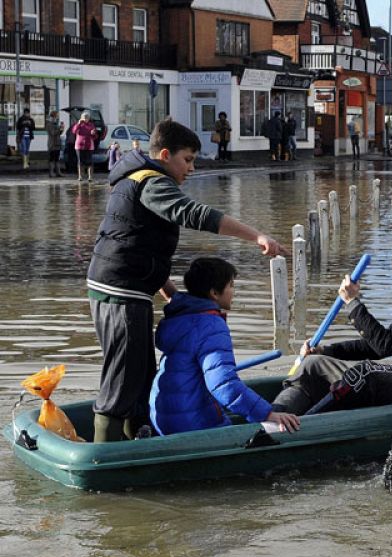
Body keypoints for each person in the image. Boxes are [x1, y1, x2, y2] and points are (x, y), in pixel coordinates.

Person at [86, 117, 289, 442]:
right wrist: (256, 236)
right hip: (119, 291)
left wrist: (168, 290)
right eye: (188, 159)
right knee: (124, 377)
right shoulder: (152, 181)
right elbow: (193, 213)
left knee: (140, 373)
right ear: (165, 154)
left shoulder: (135, 179)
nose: (191, 168)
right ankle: (103, 455)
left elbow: (140, 244)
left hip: (123, 287)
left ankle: (139, 440)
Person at [272, 240, 392, 415]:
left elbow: (384, 345)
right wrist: (326, 350)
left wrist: (353, 303)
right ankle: (277, 417)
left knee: (365, 372)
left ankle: (299, 424)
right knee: (313, 363)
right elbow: (377, 344)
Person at [149, 257, 300, 435]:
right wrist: (267, 414)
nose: (233, 291)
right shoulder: (211, 325)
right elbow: (222, 383)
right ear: (214, 292)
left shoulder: (179, 318)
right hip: (191, 425)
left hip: (163, 417)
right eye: (231, 286)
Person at [72, 111, 97, 182]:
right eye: (84, 117)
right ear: (81, 118)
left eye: (87, 117)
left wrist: (93, 133)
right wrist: (78, 124)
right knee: (80, 161)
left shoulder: (91, 125)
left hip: (89, 146)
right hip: (79, 146)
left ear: (89, 118)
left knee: (90, 162)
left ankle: (90, 177)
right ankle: (80, 176)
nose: (86, 118)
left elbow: (95, 137)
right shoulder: (78, 124)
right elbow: (74, 131)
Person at [45, 110, 64, 178]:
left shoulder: (56, 124)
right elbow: (53, 133)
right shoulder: (49, 124)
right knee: (52, 159)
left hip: (57, 144)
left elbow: (58, 133)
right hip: (52, 144)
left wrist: (62, 129)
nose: (58, 117)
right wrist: (59, 129)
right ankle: (51, 173)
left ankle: (58, 172)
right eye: (57, 115)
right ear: (54, 116)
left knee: (57, 159)